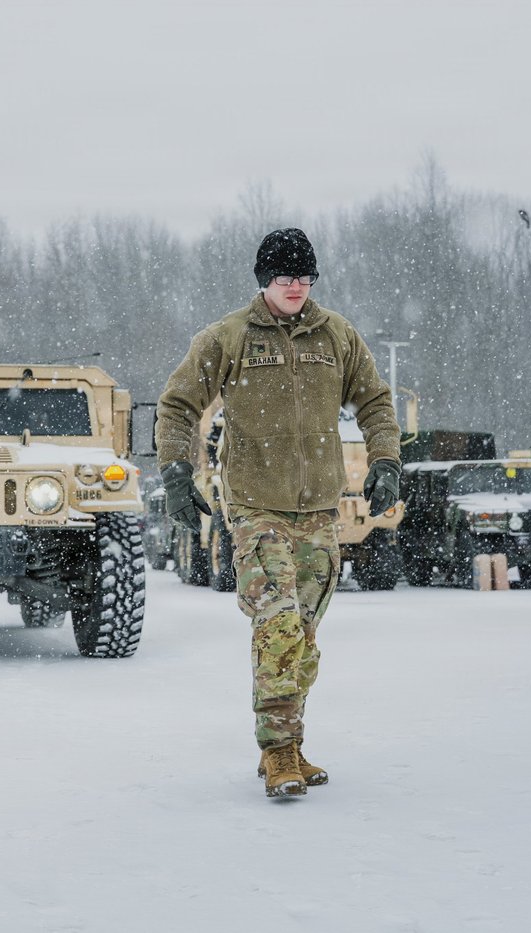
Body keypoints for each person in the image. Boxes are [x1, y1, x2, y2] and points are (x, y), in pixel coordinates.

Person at [155, 228, 401, 799]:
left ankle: (292, 738)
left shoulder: (335, 335)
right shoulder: (229, 337)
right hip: (254, 506)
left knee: (304, 634)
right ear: (264, 279)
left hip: (318, 509)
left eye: (304, 276)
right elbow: (177, 404)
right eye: (284, 277)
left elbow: (374, 399)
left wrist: (386, 460)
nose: (295, 287)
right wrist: (175, 472)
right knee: (279, 623)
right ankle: (277, 751)